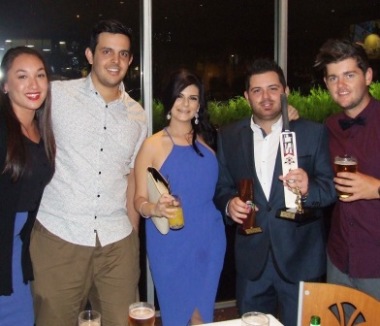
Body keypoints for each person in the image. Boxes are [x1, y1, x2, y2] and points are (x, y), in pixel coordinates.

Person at [30, 19, 147, 326]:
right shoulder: (56, 96)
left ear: (131, 60)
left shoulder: (138, 115)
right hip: (59, 235)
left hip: (117, 242)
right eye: (107, 51)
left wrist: (132, 237)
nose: (115, 60)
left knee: (123, 322)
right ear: (90, 55)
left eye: (123, 54)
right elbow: (17, 111)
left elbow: (132, 176)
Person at [214, 58, 336, 326]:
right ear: (246, 97)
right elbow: (222, 187)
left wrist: (309, 188)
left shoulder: (312, 133)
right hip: (252, 263)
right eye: (257, 90)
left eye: (273, 89)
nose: (266, 97)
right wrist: (228, 205)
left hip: (300, 260)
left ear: (286, 92)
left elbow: (330, 189)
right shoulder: (229, 136)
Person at [134, 69, 226, 325]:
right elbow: (138, 199)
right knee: (178, 316)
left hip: (210, 241)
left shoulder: (208, 138)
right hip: (170, 246)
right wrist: (154, 209)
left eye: (193, 98)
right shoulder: (152, 144)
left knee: (202, 315)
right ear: (169, 100)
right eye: (180, 96)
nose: (186, 104)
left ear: (199, 105)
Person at [314, 39, 380, 300]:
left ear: (368, 76)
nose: (340, 86)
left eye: (349, 75)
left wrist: (375, 188)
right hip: (339, 260)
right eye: (333, 78)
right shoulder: (328, 127)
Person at [0, 47, 55, 325]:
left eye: (40, 75)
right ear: (6, 85)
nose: (33, 85)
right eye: (22, 76)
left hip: (21, 247)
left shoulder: (42, 129)